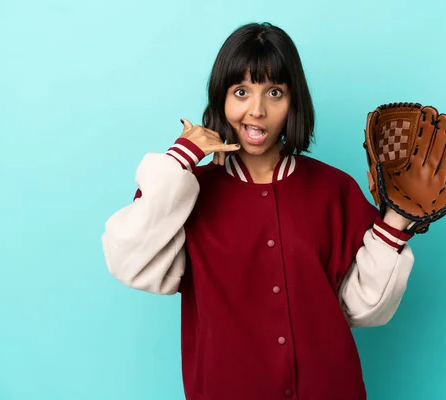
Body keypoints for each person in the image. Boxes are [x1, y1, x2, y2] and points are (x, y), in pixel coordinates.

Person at [101, 22, 415, 400]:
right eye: (241, 91)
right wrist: (181, 156)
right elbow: (131, 262)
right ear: (221, 99)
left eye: (275, 92)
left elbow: (363, 308)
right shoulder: (186, 191)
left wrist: (397, 220)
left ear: (294, 101)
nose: (257, 110)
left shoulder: (334, 189)